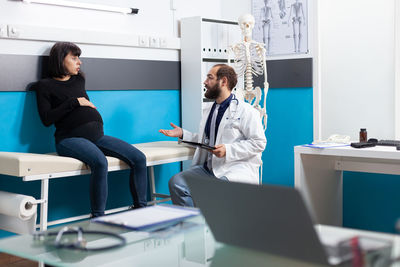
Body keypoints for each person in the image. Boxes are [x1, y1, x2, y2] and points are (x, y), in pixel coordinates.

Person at [34, 42, 147, 217]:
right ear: (59, 60)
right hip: (68, 139)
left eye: (79, 57)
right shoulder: (45, 86)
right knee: (100, 162)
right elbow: (46, 119)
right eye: (74, 57)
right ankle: (98, 217)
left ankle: (141, 210)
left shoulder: (79, 79)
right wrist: (74, 102)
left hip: (97, 136)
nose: (79, 62)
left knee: (139, 158)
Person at [159, 64, 266, 207]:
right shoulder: (209, 110)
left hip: (234, 169)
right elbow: (209, 140)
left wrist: (228, 150)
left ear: (223, 81)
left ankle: (212, 225)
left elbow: (259, 142)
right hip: (209, 169)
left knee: (216, 193)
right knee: (177, 183)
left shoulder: (246, 111)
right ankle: (192, 225)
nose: (205, 82)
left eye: (210, 78)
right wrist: (183, 134)